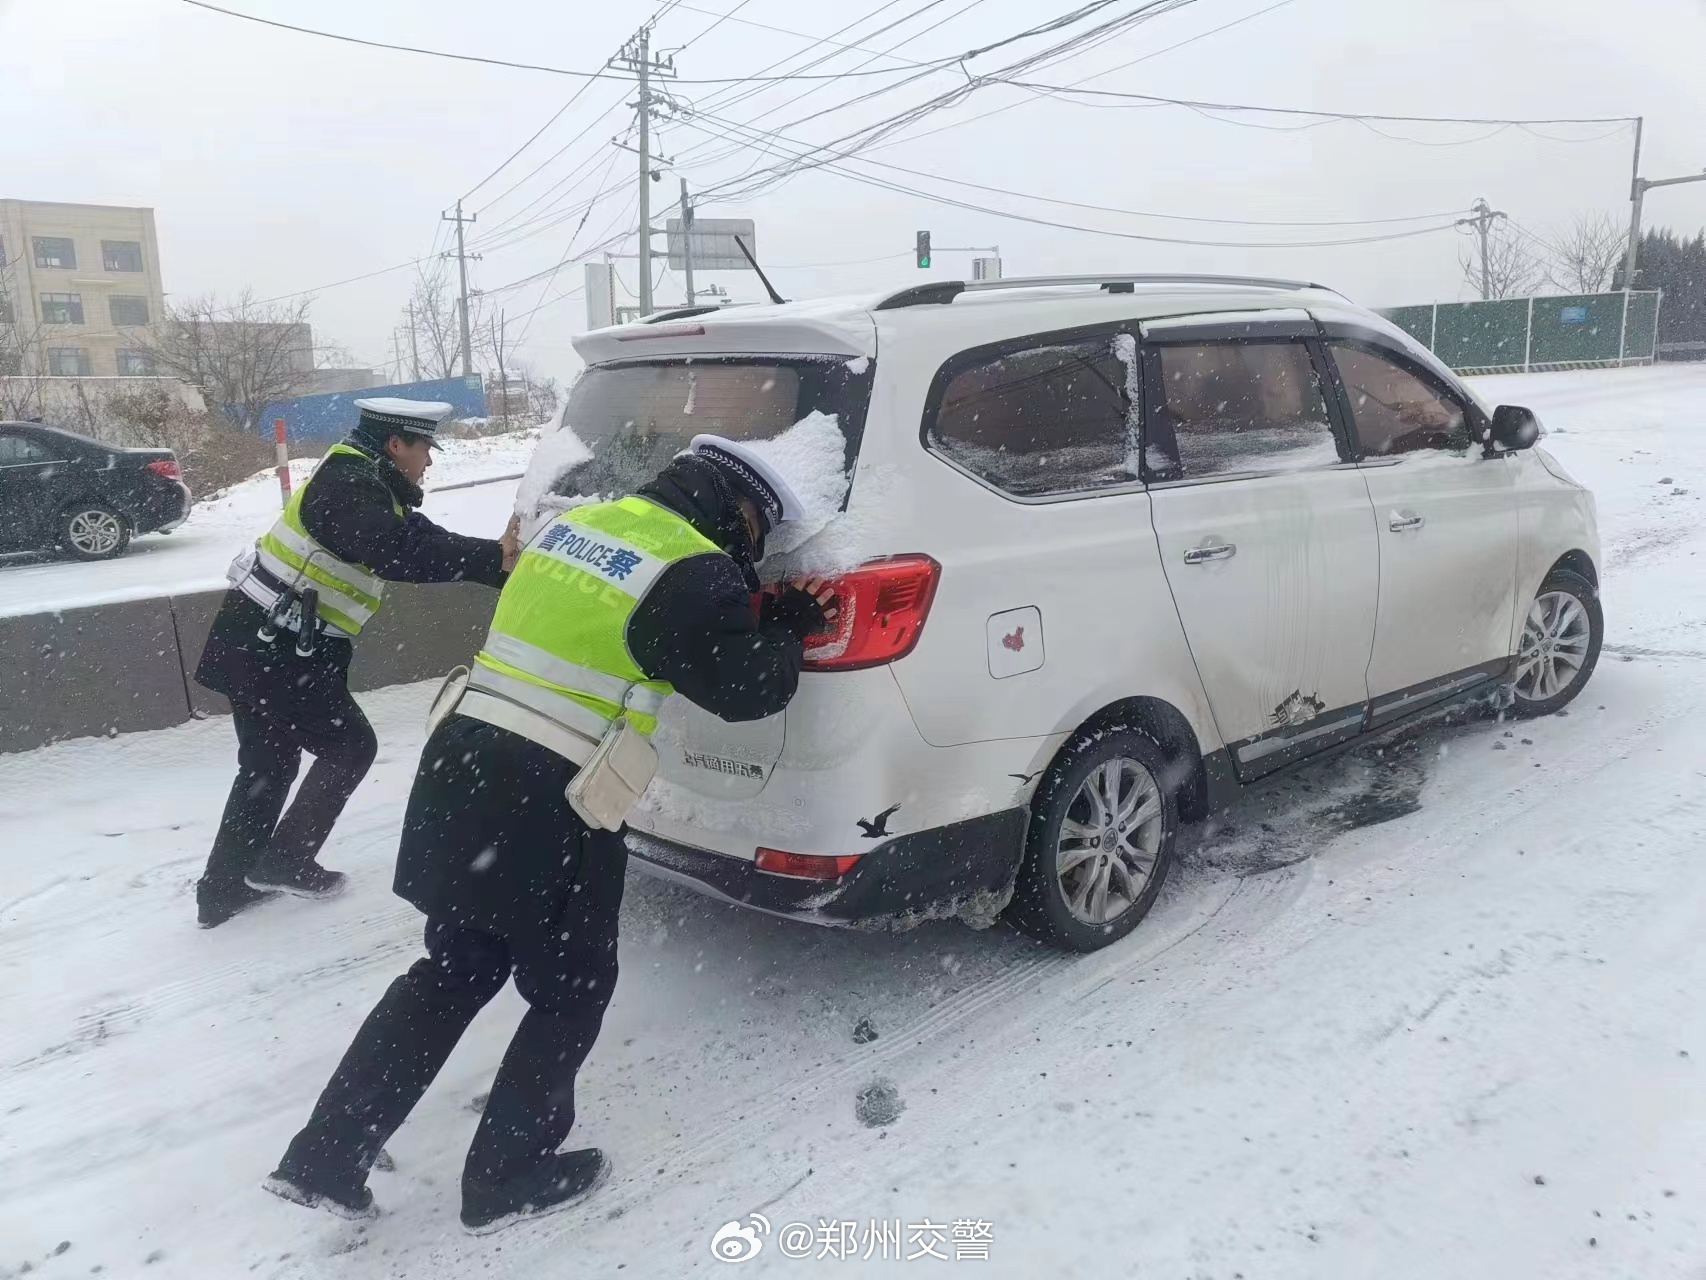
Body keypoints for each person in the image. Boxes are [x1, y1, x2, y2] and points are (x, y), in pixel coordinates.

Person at [263, 433, 838, 1233]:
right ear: (741, 513)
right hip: (551, 797)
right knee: (573, 992)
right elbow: (746, 689)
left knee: (453, 968)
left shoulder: (579, 528)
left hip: (460, 765)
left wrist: (746, 610)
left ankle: (326, 1154)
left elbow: (625, 627)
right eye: (756, 534)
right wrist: (792, 628)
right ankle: (507, 1174)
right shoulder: (694, 569)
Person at [193, 398, 518, 928]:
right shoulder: (347, 484)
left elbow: (419, 536)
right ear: (396, 444)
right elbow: (395, 548)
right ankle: (284, 858)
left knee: (267, 764)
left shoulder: (364, 480)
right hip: (275, 649)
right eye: (425, 449)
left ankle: (222, 889)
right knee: (349, 747)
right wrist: (487, 557)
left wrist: (499, 566)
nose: (429, 462)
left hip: (256, 641)